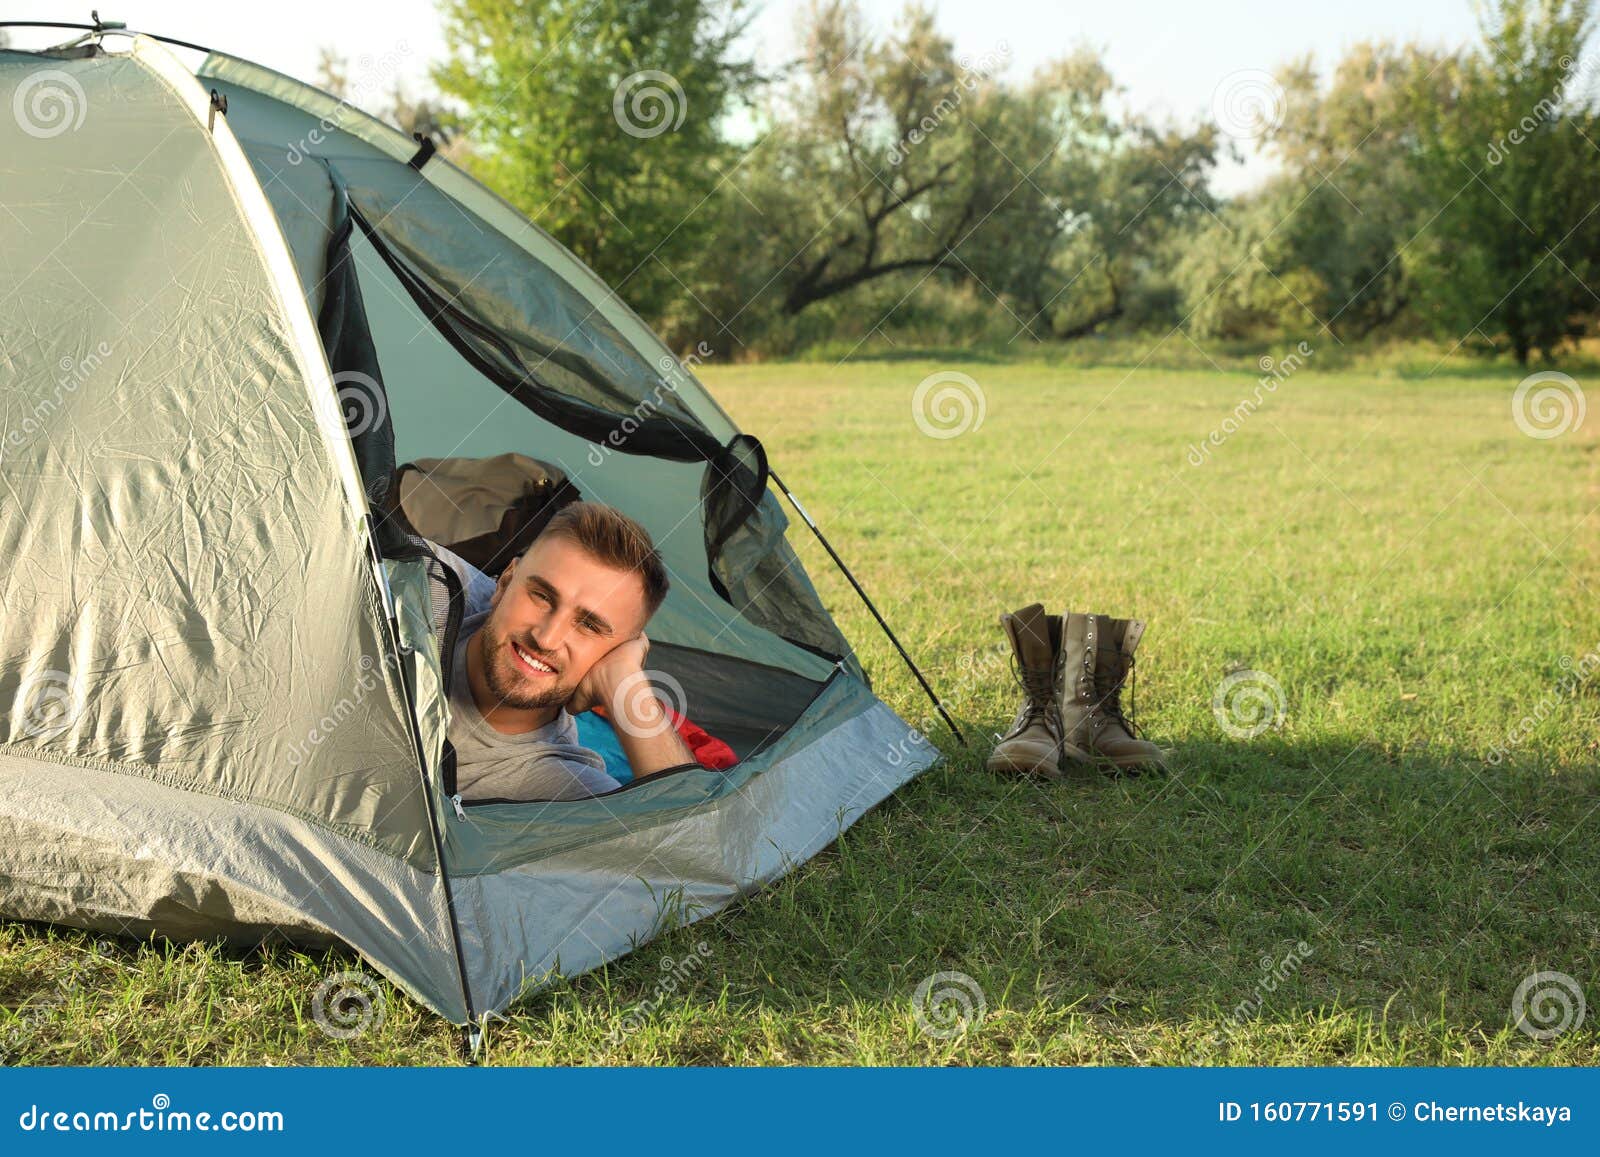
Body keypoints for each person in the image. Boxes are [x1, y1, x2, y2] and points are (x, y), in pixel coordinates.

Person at [431, 501, 696, 803]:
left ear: (616, 652)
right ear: (505, 582)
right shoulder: (420, 580)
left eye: (589, 625)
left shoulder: (567, 794)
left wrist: (625, 683)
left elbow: (692, 842)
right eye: (542, 596)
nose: (546, 638)